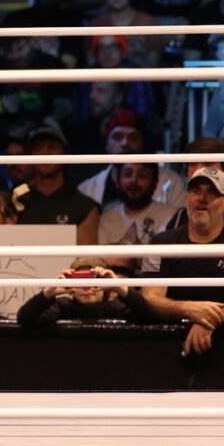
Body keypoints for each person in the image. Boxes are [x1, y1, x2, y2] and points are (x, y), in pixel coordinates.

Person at [141, 167, 224, 357]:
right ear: (186, 199)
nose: (202, 198)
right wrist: (189, 309)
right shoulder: (159, 243)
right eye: (196, 191)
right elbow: (149, 298)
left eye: (212, 192)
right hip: (167, 348)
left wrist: (208, 319)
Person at [15, 126, 100, 244]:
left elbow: (87, 259)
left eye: (52, 147)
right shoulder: (16, 202)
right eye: (38, 149)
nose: (45, 154)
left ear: (64, 153)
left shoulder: (84, 207)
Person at [16, 257, 155, 327]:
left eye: (93, 280)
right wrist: (48, 293)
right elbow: (24, 320)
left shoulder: (115, 308)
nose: (86, 287)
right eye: (80, 280)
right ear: (70, 285)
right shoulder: (63, 306)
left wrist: (119, 287)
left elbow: (150, 317)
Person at [98, 161, 177, 244]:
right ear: (117, 181)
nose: (133, 181)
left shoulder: (172, 217)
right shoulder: (106, 220)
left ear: (155, 184)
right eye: (127, 174)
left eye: (142, 176)